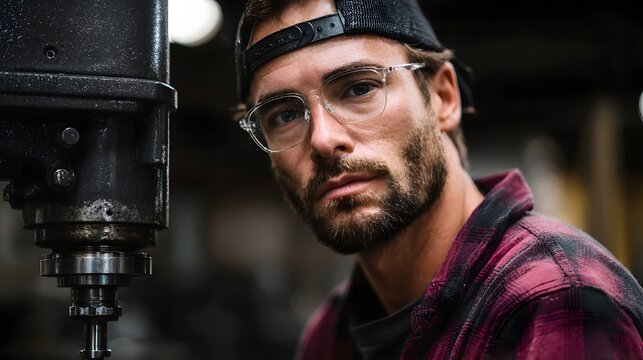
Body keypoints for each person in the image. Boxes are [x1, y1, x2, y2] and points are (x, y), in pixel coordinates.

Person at [233, 0, 643, 358]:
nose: (322, 140)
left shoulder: (553, 300)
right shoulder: (330, 334)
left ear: (444, 98)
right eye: (284, 115)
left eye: (358, 88)